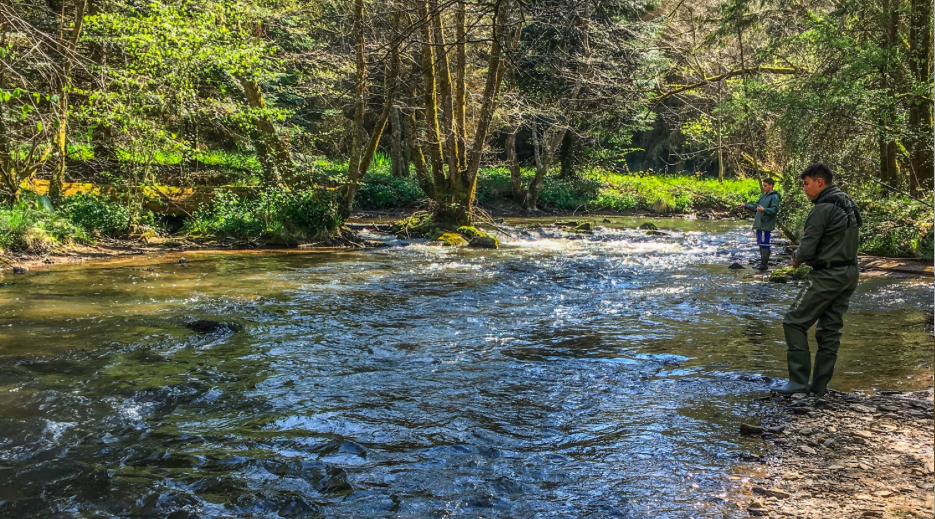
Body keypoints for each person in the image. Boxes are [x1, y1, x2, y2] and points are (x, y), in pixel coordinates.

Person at [773, 163, 862, 395]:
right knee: (830, 330)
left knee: (793, 321)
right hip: (849, 273)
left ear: (819, 182)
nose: (804, 188)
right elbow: (837, 238)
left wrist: (795, 258)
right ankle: (819, 386)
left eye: (806, 183)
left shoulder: (823, 207)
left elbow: (808, 244)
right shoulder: (847, 202)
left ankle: (798, 381)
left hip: (828, 275)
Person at [738, 178, 781, 270]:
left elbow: (775, 210)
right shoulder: (763, 196)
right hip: (759, 224)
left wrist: (764, 210)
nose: (764, 187)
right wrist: (745, 206)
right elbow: (755, 207)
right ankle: (762, 262)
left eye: (765, 185)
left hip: (766, 225)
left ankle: (764, 264)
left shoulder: (775, 197)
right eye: (763, 185)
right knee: (760, 242)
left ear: (771, 185)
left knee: (765, 243)